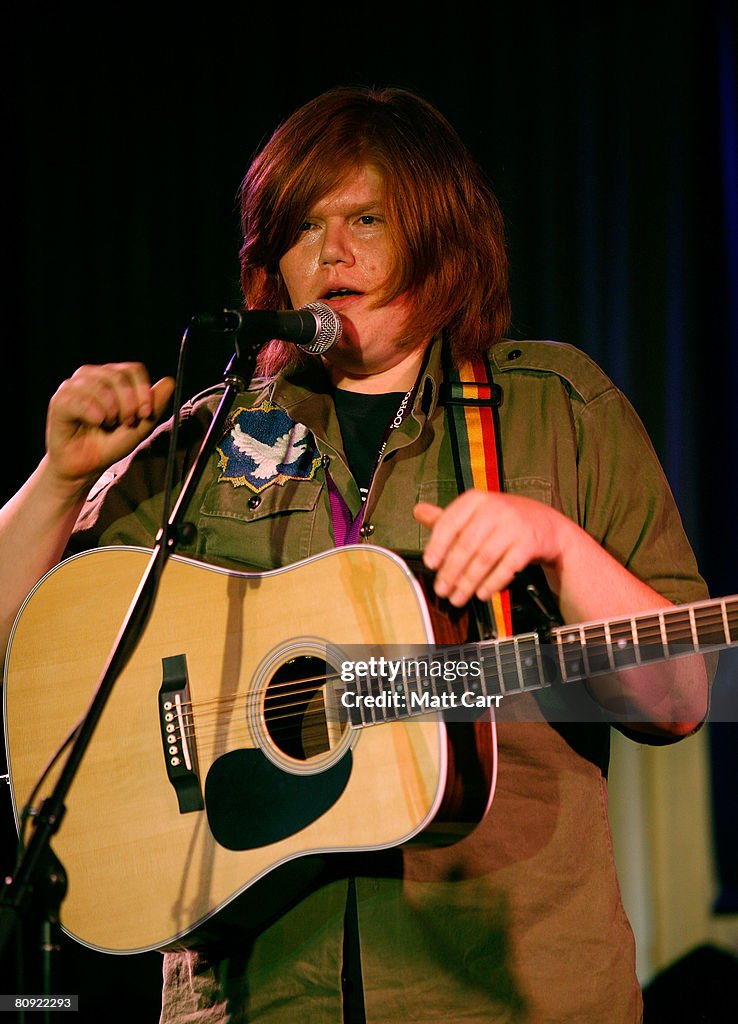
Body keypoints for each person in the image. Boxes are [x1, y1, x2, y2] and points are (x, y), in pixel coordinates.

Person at [0, 86, 709, 1023]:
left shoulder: (559, 407)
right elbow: (28, 645)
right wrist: (53, 483)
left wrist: (558, 545)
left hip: (512, 991)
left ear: (439, 232)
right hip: (257, 995)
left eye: (365, 218)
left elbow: (685, 698)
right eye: (300, 230)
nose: (330, 253)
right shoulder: (212, 440)